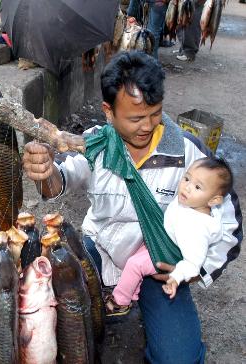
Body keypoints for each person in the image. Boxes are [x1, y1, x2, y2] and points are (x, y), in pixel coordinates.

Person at [22, 51, 242, 363]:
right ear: (108, 112)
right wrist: (45, 172)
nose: (148, 126)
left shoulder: (190, 156)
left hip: (157, 267)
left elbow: (230, 224)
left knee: (179, 358)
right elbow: (61, 179)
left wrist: (193, 270)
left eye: (155, 114)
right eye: (136, 118)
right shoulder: (94, 143)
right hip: (99, 252)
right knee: (44, 317)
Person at [104, 156, 233, 316]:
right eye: (187, 178)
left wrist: (176, 277)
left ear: (214, 200)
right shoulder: (191, 203)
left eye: (198, 187)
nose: (187, 187)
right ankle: (133, 291)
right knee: (133, 255)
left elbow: (193, 264)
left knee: (134, 264)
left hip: (169, 255)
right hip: (162, 241)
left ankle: (120, 302)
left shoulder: (198, 229)